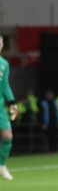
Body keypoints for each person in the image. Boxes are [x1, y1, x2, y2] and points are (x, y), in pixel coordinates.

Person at [0, 35, 18, 180]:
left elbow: (5, 85)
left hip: (0, 107)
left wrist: (12, 101)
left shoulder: (4, 64)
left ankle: (2, 165)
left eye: (0, 42)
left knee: (7, 136)